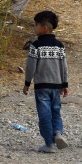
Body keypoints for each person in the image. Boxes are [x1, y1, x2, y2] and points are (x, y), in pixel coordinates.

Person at [22, 10, 69, 154]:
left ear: (44, 28)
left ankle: (49, 143)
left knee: (44, 114)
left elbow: (31, 66)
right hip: (56, 86)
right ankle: (58, 133)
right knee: (56, 111)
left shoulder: (36, 46)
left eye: (36, 25)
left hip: (41, 86)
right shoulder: (59, 46)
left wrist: (27, 82)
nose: (34, 28)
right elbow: (64, 66)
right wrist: (64, 84)